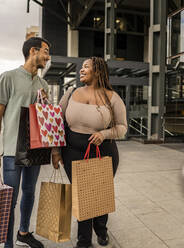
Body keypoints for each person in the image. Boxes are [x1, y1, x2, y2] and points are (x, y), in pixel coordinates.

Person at [52, 57, 127, 248]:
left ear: (98, 71)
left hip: (104, 152)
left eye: (86, 67)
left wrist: (105, 133)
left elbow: (123, 127)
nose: (81, 70)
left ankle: (101, 230)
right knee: (82, 196)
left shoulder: (113, 97)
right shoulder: (70, 93)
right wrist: (55, 151)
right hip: (72, 153)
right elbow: (57, 123)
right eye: (81, 67)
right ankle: (84, 241)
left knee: (99, 196)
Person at [0, 37, 51, 248]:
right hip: (11, 151)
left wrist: (45, 102)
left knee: (29, 193)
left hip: (35, 148)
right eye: (45, 51)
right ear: (33, 51)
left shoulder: (43, 84)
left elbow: (46, 119)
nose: (48, 56)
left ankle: (23, 233)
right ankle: (8, 244)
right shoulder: (8, 77)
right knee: (10, 199)